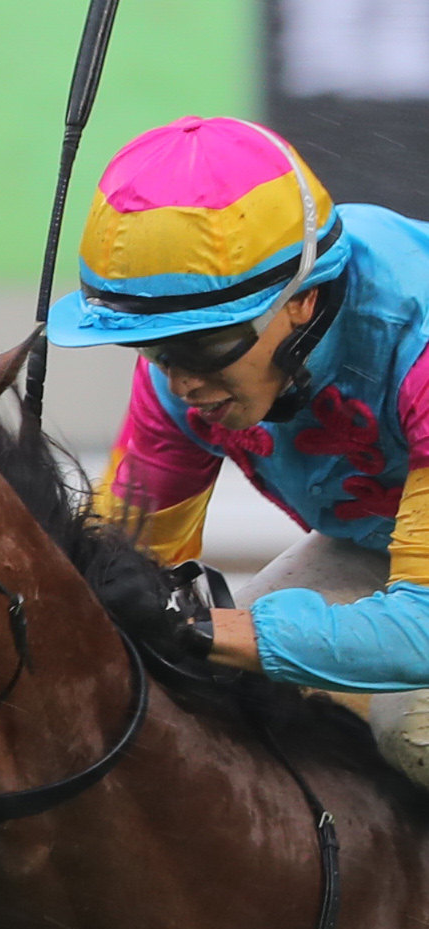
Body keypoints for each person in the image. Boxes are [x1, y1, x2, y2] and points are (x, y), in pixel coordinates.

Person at [57, 114, 429, 783]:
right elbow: (115, 579)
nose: (182, 380)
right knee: (220, 704)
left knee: (416, 732)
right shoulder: (181, 382)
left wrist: (204, 629)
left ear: (303, 302)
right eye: (154, 348)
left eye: (205, 344)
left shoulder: (419, 351)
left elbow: (419, 631)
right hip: (383, 547)